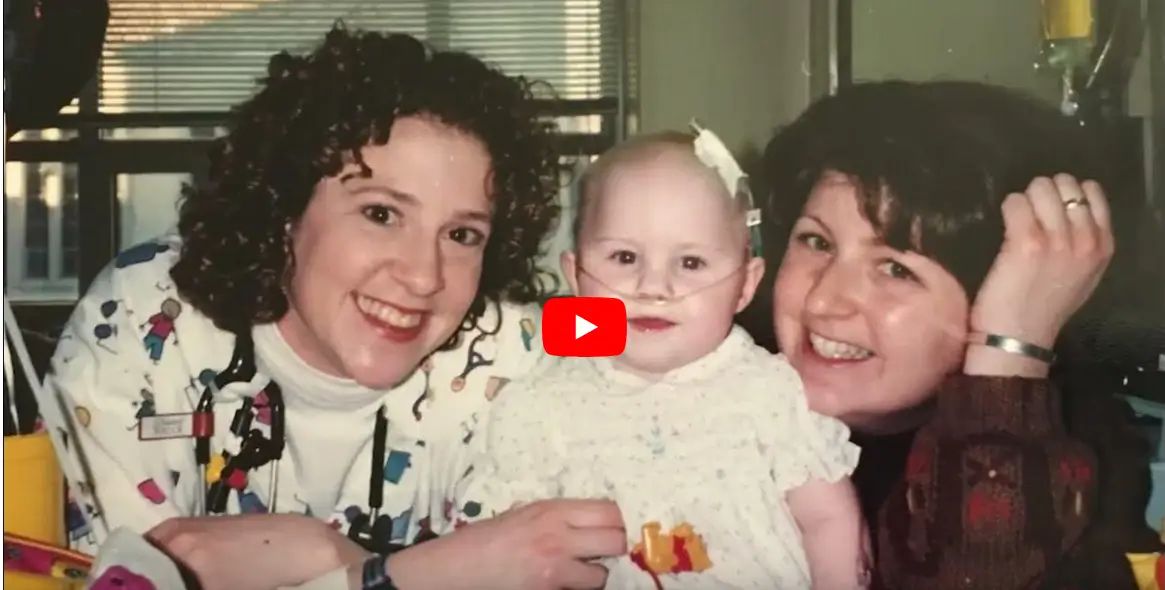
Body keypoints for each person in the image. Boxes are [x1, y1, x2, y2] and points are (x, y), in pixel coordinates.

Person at [46, 25, 625, 590]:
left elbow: (673, 327)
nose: (423, 277)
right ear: (285, 208)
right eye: (381, 214)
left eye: (462, 235)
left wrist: (334, 561)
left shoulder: (517, 334)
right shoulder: (140, 308)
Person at [746, 80, 1163, 589]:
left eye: (896, 270)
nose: (822, 301)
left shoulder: (1084, 460)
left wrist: (1008, 360)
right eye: (816, 241)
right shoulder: (716, 373)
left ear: (1009, 295)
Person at [431, 128, 866, 590]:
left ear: (745, 284)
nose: (654, 287)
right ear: (576, 276)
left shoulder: (769, 391)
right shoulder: (541, 405)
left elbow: (828, 520)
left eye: (691, 263)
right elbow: (503, 550)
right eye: (624, 257)